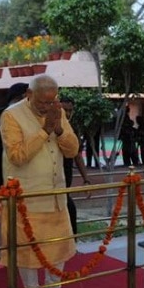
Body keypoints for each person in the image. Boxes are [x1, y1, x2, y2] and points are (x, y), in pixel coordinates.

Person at [0, 74, 80, 288]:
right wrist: (45, 130)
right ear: (29, 95)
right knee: (28, 256)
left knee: (58, 250)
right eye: (42, 102)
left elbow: (73, 150)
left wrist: (58, 128)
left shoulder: (57, 112)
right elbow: (17, 156)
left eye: (52, 101)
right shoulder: (11, 115)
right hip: (28, 201)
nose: (48, 107)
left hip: (56, 196)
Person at [0, 82, 28, 259]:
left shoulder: (32, 118)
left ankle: (20, 248)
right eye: (21, 98)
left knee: (20, 215)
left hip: (22, 177)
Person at [59, 96, 92, 234]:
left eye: (70, 110)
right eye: (64, 109)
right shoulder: (49, 125)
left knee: (69, 210)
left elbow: (77, 155)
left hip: (66, 178)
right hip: (51, 178)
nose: (67, 113)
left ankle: (71, 243)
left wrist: (86, 179)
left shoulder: (73, 128)